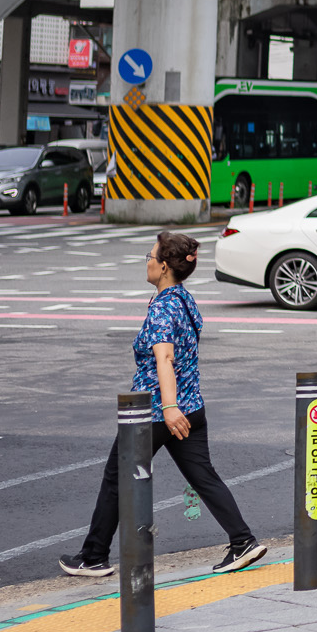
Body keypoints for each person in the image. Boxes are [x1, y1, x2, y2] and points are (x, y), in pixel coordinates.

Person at [59, 233, 266, 577]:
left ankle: (93, 555)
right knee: (204, 477)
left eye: (151, 255)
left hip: (155, 412)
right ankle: (242, 541)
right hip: (192, 408)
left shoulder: (163, 307)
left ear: (165, 265)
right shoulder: (184, 299)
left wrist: (168, 408)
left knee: (117, 477)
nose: (148, 260)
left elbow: (164, 358)